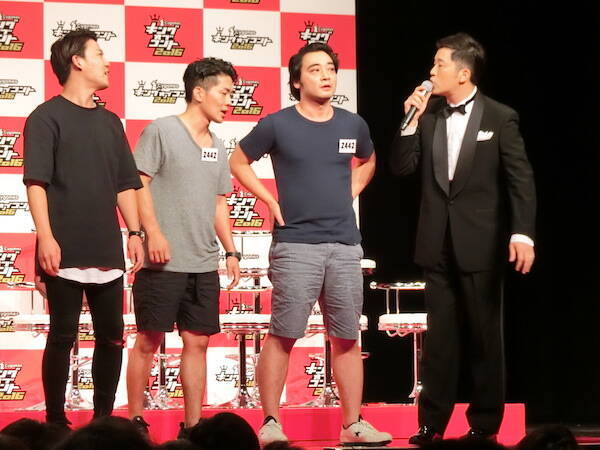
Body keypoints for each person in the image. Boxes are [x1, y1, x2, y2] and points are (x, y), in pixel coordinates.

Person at [230, 42, 391, 447]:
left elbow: (370, 159)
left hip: (345, 244)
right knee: (284, 333)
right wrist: (268, 200)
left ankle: (352, 424)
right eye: (315, 69)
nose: (326, 75)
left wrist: (351, 189)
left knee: (347, 336)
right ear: (297, 80)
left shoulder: (353, 124)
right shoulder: (277, 124)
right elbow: (237, 160)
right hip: (296, 245)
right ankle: (270, 423)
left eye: (331, 68)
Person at [390, 32, 536, 444]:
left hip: (482, 243)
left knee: (485, 338)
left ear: (463, 73)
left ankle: (484, 425)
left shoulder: (500, 117)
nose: (431, 71)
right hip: (436, 242)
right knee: (440, 340)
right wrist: (410, 120)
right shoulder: (429, 116)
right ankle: (431, 424)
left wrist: (522, 233)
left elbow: (520, 180)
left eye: (439, 64)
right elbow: (401, 167)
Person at [23, 29, 144, 428]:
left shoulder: (110, 122)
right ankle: (55, 423)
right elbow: (36, 183)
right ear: (77, 61)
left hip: (105, 246)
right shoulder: (45, 117)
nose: (107, 62)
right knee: (62, 335)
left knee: (112, 336)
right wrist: (46, 237)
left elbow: (125, 184)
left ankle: (103, 422)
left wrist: (135, 233)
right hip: (63, 245)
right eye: (99, 54)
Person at [126, 58, 241, 437]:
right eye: (225, 93)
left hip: (203, 262)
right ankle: (135, 422)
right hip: (162, 260)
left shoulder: (218, 146)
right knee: (148, 339)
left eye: (232, 94)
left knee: (198, 341)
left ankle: (192, 427)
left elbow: (219, 203)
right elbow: (138, 183)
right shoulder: (161, 130)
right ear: (199, 92)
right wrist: (152, 233)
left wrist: (230, 251)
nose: (230, 101)